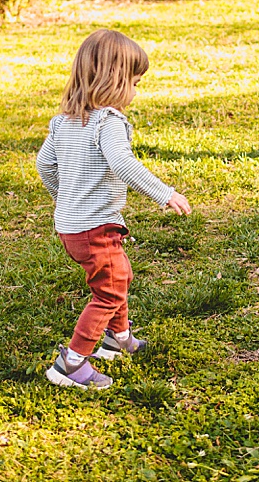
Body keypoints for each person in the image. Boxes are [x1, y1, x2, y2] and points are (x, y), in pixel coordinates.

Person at [36, 28, 192, 389]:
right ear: (114, 81)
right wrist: (164, 193)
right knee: (108, 290)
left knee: (118, 276)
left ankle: (117, 338)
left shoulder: (62, 122)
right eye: (135, 82)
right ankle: (72, 363)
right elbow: (122, 164)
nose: (136, 91)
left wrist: (65, 198)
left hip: (71, 226)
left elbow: (45, 165)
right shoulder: (109, 122)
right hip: (96, 228)